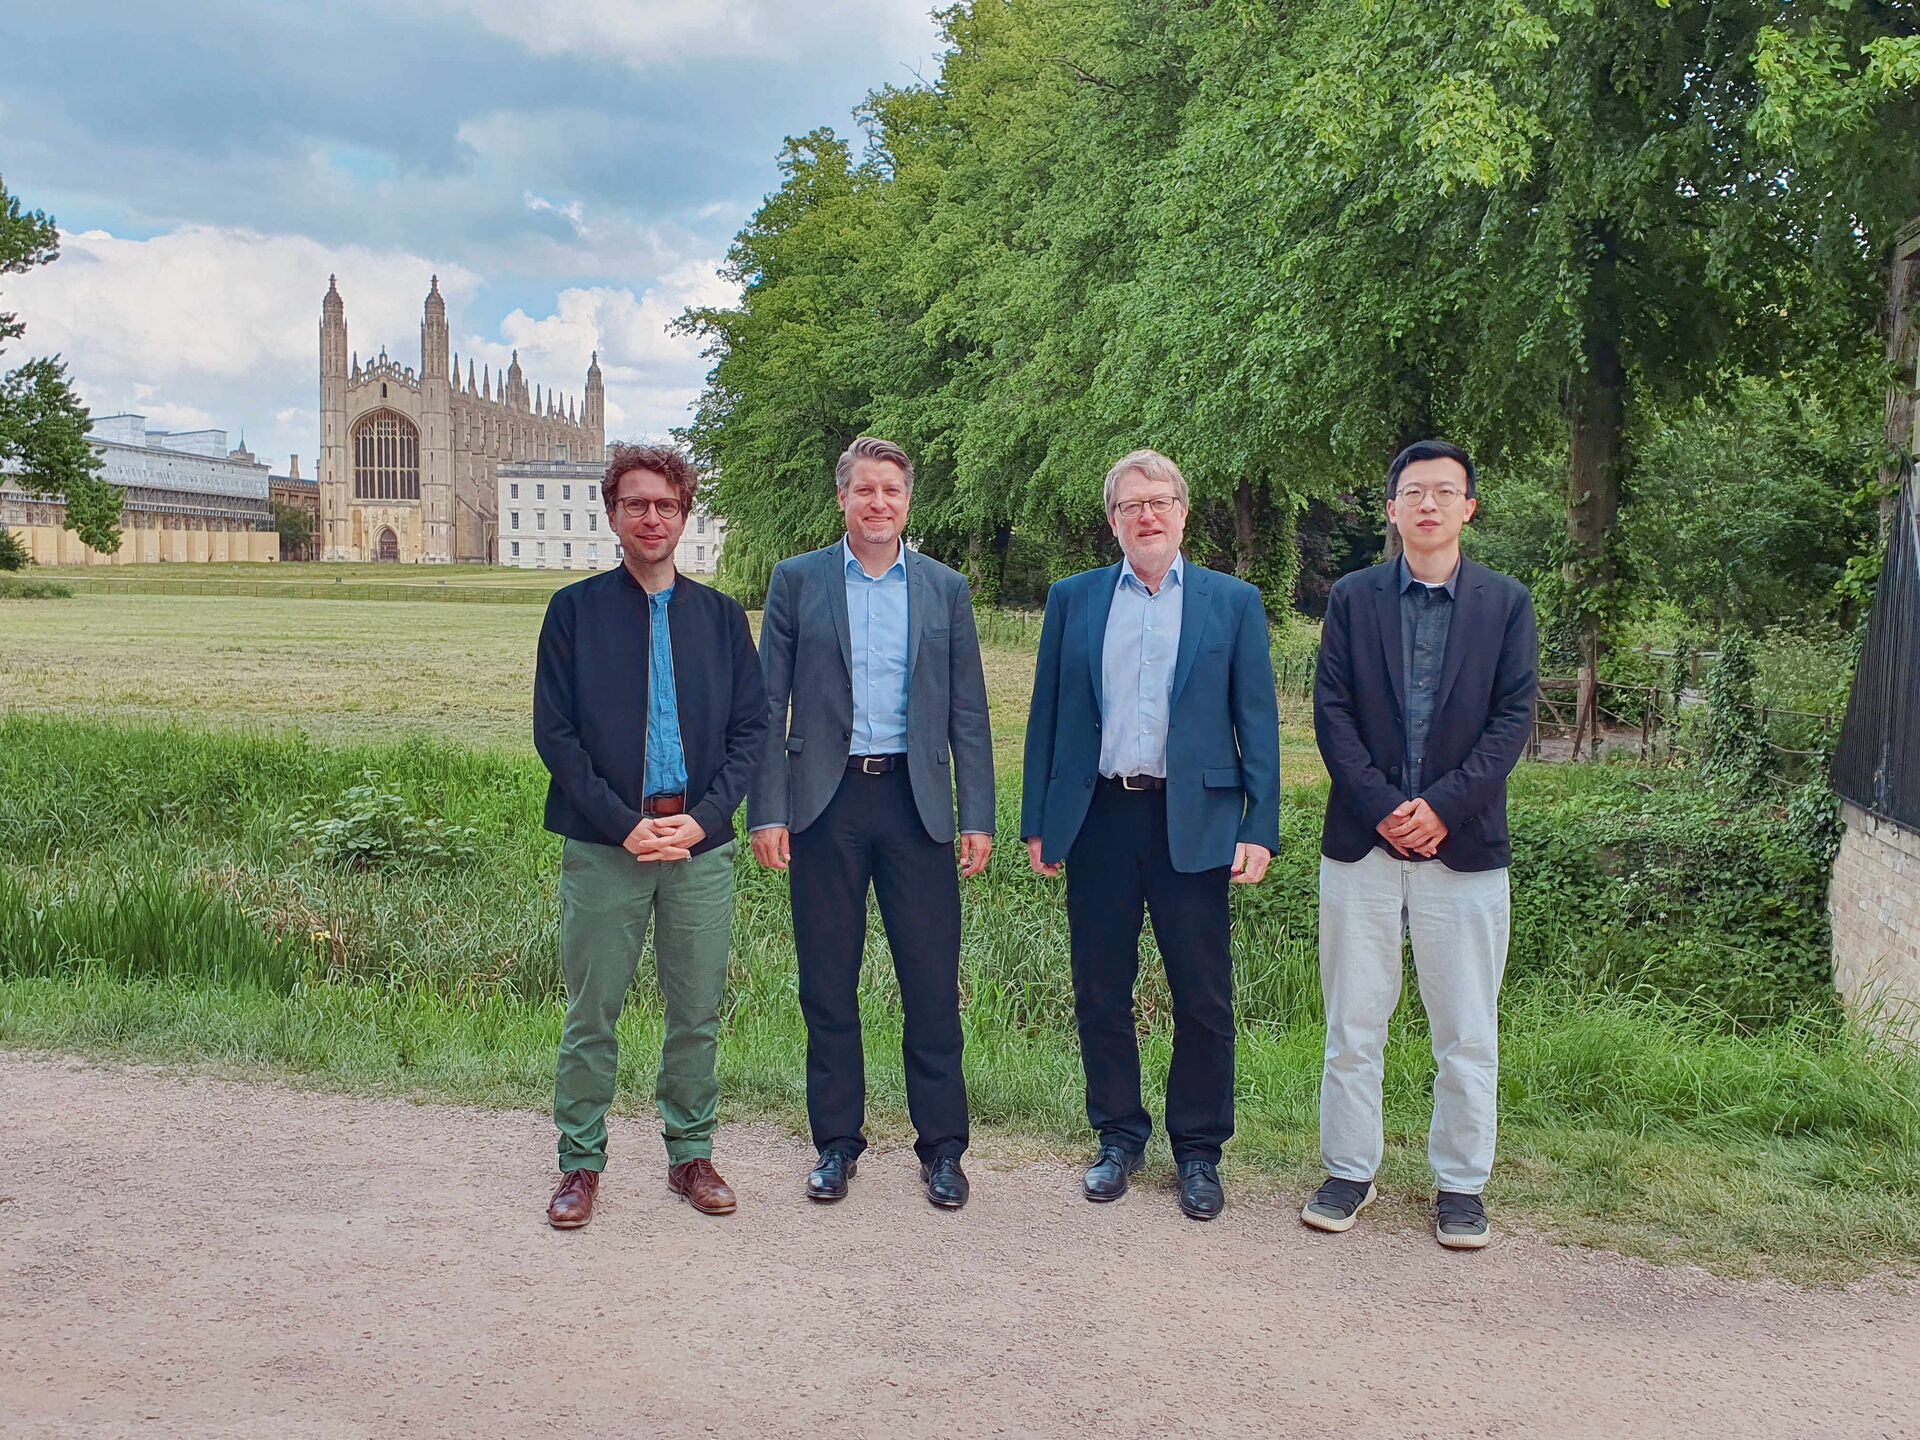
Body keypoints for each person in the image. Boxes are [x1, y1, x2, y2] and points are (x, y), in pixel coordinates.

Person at [1021, 448, 1280, 1221]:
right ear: (1113, 520)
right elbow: (1047, 715)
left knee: (1203, 996)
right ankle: (1118, 1137)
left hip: (1195, 820)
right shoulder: (1075, 599)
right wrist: (1039, 820)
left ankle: (1199, 1152)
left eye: (1160, 501)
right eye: (1132, 505)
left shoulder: (1232, 602)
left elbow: (1258, 721)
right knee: (1101, 989)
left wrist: (1259, 825)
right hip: (1099, 816)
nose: (1147, 515)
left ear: (1183, 512)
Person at [748, 436, 995, 1210]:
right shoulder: (798, 581)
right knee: (828, 983)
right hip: (826, 805)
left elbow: (968, 710)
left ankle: (943, 1150)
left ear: (908, 501)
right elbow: (767, 707)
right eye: (865, 489)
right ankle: (835, 1144)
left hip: (916, 806)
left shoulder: (945, 588)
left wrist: (978, 815)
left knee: (931, 985)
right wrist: (768, 810)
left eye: (891, 489)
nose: (878, 502)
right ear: (843, 499)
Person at [1303, 439, 1537, 1250]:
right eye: (1413, 492)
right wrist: (1382, 808)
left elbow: (1512, 720)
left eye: (1444, 492)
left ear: (1468, 506)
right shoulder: (1353, 598)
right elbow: (1331, 711)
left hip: (1464, 846)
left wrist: (1440, 807)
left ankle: (1461, 1186)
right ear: (1392, 509)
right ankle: (1348, 1171)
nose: (1428, 504)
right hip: (1362, 846)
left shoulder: (1506, 603)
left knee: (1467, 1032)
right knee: (1352, 1025)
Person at [534, 442, 768, 1230]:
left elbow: (751, 732)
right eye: (635, 503)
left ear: (684, 514)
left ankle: (691, 1154)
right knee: (592, 1012)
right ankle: (579, 1163)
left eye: (666, 504)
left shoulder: (721, 618)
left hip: (700, 844)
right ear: (613, 514)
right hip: (607, 844)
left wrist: (704, 819)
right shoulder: (574, 612)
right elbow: (556, 736)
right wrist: (625, 825)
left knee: (695, 1011)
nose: (652, 517)